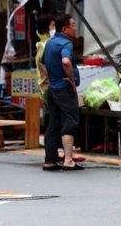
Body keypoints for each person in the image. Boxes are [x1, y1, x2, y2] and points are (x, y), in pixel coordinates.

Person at [41, 14, 82, 171]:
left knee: (53, 125)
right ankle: (68, 160)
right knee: (70, 122)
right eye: (73, 25)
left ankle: (50, 161)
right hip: (64, 90)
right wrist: (71, 79)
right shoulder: (66, 44)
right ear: (65, 29)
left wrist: (51, 77)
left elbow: (42, 63)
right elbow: (66, 62)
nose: (75, 27)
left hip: (53, 89)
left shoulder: (50, 43)